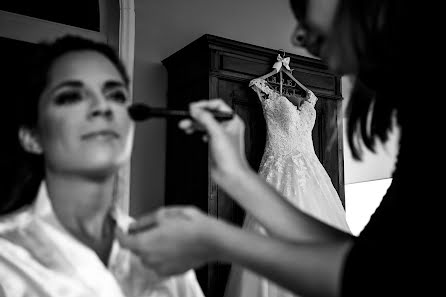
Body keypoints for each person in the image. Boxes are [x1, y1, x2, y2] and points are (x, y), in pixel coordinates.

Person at [116, 0, 438, 296]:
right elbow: (364, 262)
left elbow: (365, 277)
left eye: (304, 8)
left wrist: (214, 238)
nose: (298, 36)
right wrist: (237, 176)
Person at [0, 35, 204, 297]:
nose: (102, 107)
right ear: (32, 136)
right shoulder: (7, 258)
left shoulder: (167, 254)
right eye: (71, 96)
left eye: (116, 95)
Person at [223, 58, 350, 297]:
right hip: (278, 165)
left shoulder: (310, 99)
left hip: (312, 171)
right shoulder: (263, 91)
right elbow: (259, 88)